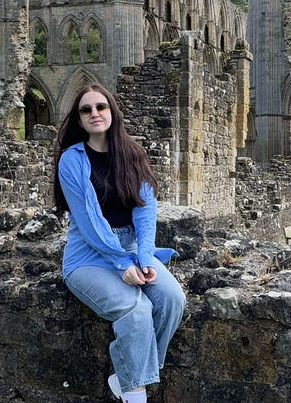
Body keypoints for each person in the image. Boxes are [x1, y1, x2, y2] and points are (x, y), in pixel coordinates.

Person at [54, 84, 185, 403]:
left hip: (130, 249)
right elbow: (90, 222)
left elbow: (145, 206)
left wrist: (141, 256)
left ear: (112, 111)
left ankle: (126, 376)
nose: (94, 113)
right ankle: (135, 395)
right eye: (86, 110)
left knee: (171, 299)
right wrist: (122, 263)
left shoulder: (131, 153)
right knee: (136, 310)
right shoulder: (71, 160)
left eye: (101, 107)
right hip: (88, 256)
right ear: (79, 119)